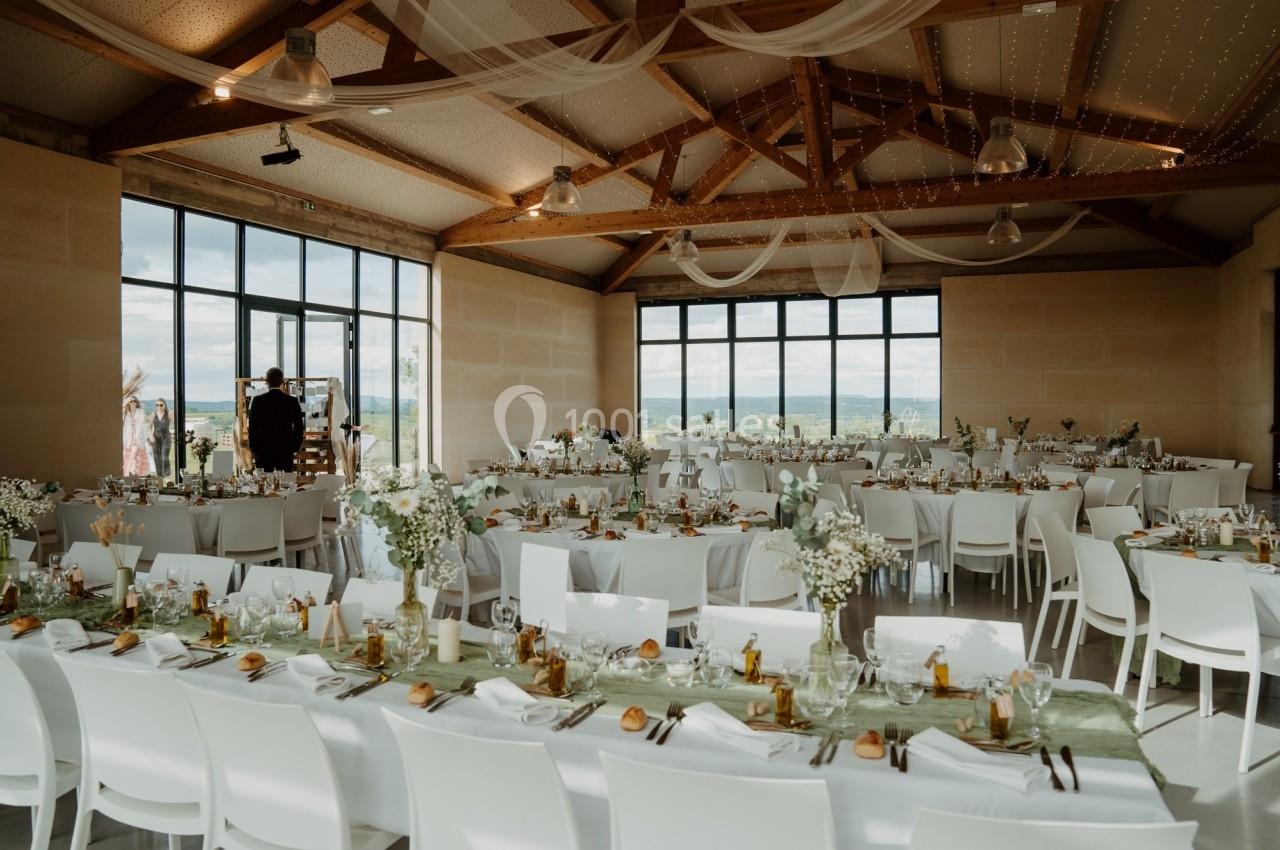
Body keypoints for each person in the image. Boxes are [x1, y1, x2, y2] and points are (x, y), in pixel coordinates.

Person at [248, 367, 304, 472]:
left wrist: (254, 449)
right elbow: (299, 427)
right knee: (285, 483)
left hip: (263, 449)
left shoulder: (258, 401)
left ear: (266, 382)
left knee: (264, 482)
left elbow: (252, 427)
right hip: (285, 449)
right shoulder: (292, 401)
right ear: (282, 382)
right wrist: (295, 447)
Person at [122, 395, 150, 476]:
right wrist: (127, 401)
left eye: (135, 401)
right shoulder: (126, 413)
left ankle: (137, 474)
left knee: (137, 458)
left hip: (138, 439)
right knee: (129, 459)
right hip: (129, 440)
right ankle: (129, 475)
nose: (133, 403)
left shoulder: (140, 412)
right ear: (128, 403)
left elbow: (144, 424)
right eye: (131, 401)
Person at [149, 398, 172, 478]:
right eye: (157, 405)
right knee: (157, 457)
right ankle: (159, 476)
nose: (159, 406)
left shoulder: (168, 414)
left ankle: (166, 475)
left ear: (164, 405)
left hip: (166, 438)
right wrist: (151, 436)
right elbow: (149, 426)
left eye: (161, 405)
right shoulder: (153, 414)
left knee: (164, 456)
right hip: (156, 438)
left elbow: (177, 422)